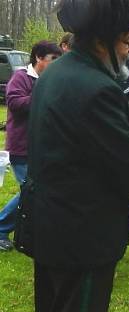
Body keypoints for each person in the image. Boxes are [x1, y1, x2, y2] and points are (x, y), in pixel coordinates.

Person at [20, 0, 129, 312]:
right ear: (101, 41)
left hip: (49, 227)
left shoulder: (55, 74)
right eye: (126, 41)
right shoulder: (98, 88)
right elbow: (127, 166)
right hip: (83, 234)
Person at [0, 41, 61, 252]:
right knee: (32, 191)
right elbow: (16, 103)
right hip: (22, 147)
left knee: (36, 190)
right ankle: (1, 227)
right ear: (38, 57)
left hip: (43, 147)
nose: (56, 64)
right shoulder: (20, 78)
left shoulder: (51, 80)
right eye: (53, 59)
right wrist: (43, 96)